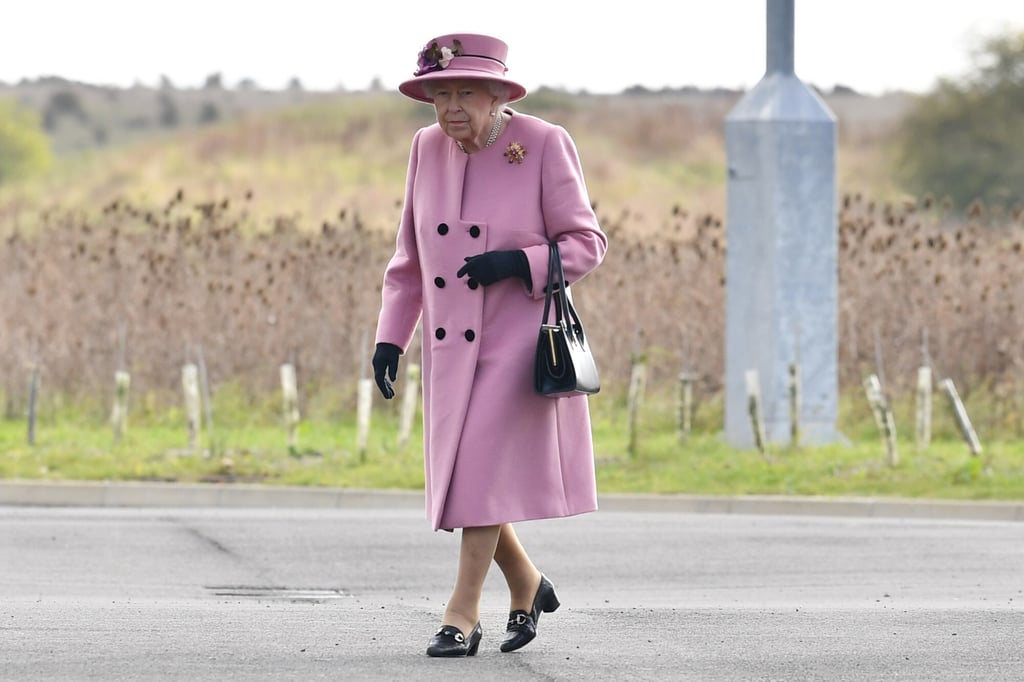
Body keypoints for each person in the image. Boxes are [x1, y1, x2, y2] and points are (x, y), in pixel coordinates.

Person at [371, 33, 607, 658]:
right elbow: (410, 259)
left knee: (473, 474)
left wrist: (515, 262)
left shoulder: (543, 143)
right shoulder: (426, 148)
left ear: (500, 94)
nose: (450, 107)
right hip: (452, 351)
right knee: (472, 478)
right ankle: (527, 584)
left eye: (465, 92)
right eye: (439, 93)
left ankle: (461, 614)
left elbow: (586, 244)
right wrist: (391, 338)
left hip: (515, 344)